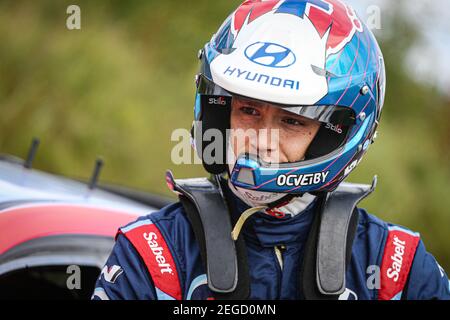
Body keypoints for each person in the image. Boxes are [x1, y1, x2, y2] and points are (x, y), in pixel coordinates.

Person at [92, 0, 450, 300]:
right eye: (248, 110)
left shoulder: (396, 269)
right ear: (219, 111)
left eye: (292, 121)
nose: (262, 140)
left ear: (335, 134)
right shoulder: (155, 254)